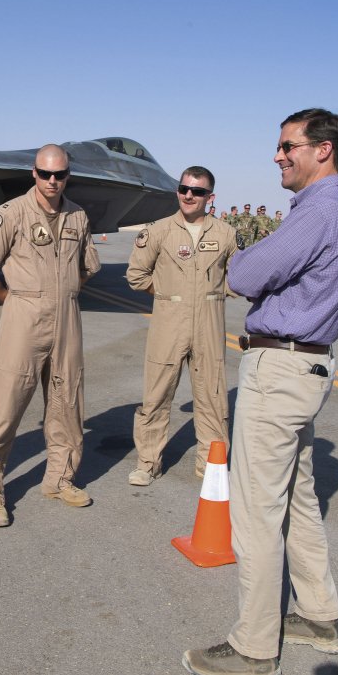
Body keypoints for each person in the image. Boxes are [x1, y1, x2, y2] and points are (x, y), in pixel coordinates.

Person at [183, 108, 338, 675]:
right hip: (308, 371)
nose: (278, 155)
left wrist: (246, 262)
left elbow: (245, 274)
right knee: (298, 500)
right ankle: (319, 616)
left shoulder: (319, 213)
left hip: (281, 371)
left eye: (289, 146)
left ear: (323, 151)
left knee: (256, 512)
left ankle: (254, 648)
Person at [0, 144, 100, 527]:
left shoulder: (78, 216)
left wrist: (63, 294)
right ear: (34, 173)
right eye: (45, 174)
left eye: (59, 174)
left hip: (67, 318)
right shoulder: (10, 214)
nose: (52, 181)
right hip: (23, 318)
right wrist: (15, 302)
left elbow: (87, 266)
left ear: (67, 175)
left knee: (67, 403)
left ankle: (59, 479)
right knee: (4, 407)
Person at [125, 166, 237, 485]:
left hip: (209, 328)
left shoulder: (226, 234)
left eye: (197, 191)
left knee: (213, 399)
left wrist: (214, 294)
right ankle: (148, 463)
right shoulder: (158, 231)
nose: (189, 195)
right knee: (156, 396)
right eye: (184, 188)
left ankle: (211, 465)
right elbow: (137, 275)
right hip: (168, 325)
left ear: (209, 197)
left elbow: (236, 277)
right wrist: (165, 293)